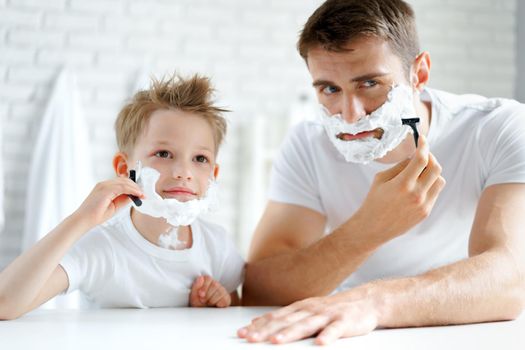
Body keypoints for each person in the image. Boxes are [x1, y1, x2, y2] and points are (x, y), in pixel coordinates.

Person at [238, 0, 525, 345]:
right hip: (344, 331)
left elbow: (510, 277)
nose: (350, 114)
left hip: (463, 332)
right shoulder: (308, 143)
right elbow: (260, 289)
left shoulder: (498, 128)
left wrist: (373, 302)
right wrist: (368, 229)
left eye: (369, 83)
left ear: (418, 74)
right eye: (330, 89)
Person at [0, 74, 244, 319]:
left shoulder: (218, 247)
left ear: (213, 174)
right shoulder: (101, 247)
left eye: (200, 159)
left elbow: (234, 312)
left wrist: (210, 306)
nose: (184, 172)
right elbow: (4, 304)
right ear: (125, 169)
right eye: (164, 153)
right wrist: (81, 219)